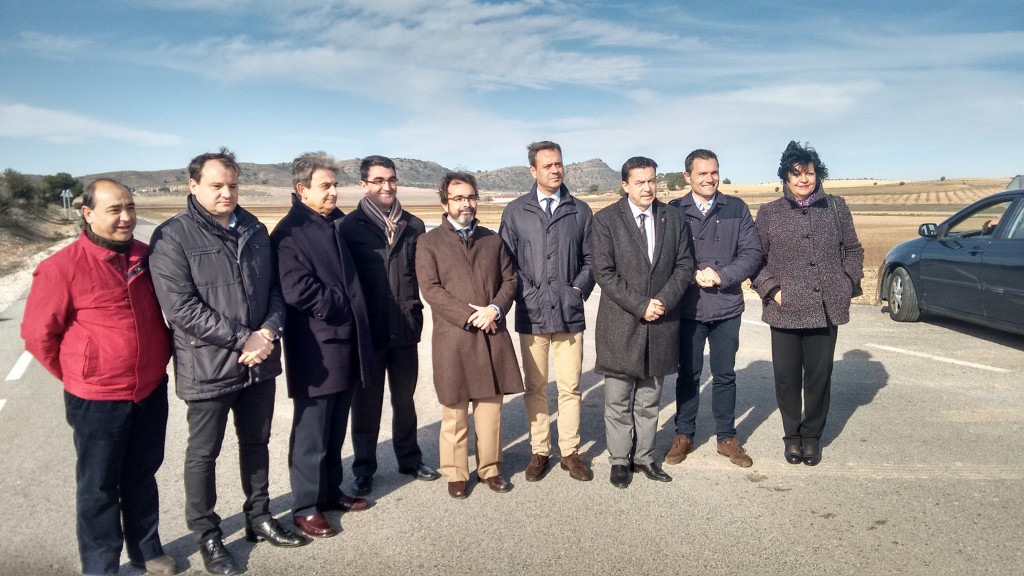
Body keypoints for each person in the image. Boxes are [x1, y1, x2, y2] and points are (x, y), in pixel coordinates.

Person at [149, 148, 308, 576]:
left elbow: (274, 290)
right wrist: (244, 338)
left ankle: (259, 516)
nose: (226, 193)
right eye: (217, 185)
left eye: (233, 185)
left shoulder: (254, 228)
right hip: (208, 367)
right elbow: (182, 308)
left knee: (257, 442)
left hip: (259, 363)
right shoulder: (172, 236)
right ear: (193, 185)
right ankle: (208, 535)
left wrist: (269, 332)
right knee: (204, 454)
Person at [22, 179, 176, 576]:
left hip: (149, 390)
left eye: (130, 207)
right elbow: (38, 337)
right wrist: (81, 374)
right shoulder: (61, 268)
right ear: (87, 214)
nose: (126, 217)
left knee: (142, 475)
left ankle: (146, 549)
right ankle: (101, 564)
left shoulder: (147, 257)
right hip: (97, 400)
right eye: (114, 210)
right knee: (99, 486)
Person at [270, 152, 373, 540]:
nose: (333, 192)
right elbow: (297, 289)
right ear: (303, 190)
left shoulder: (333, 223)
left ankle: (330, 491)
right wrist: (341, 304)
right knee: (312, 431)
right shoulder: (289, 233)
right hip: (317, 347)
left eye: (335, 185)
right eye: (325, 186)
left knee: (334, 426)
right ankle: (305, 507)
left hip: (345, 341)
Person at [751, 141, 864, 466]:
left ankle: (812, 437)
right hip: (784, 309)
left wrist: (846, 283)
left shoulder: (836, 207)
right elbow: (755, 259)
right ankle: (792, 437)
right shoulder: (769, 212)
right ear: (785, 177)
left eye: (810, 173)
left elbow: (853, 249)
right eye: (797, 174)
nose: (804, 179)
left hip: (824, 308)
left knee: (818, 377)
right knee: (786, 378)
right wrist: (773, 291)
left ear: (818, 175)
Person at [415, 172, 524, 499]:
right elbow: (431, 289)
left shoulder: (492, 240)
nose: (466, 204)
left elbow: (510, 281)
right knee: (455, 413)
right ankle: (456, 473)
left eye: (471, 197)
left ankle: (490, 469)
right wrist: (471, 316)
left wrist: (494, 309)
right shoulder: (429, 243)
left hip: (492, 336)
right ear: (444, 203)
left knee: (490, 412)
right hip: (454, 340)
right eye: (459, 198)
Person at [338, 155, 441, 497]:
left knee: (405, 400)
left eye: (391, 179)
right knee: (366, 405)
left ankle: (409, 459)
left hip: (405, 327)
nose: (387, 186)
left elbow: (424, 275)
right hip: (367, 333)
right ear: (363, 185)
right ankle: (364, 468)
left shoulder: (414, 225)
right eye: (379, 180)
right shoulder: (348, 228)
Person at [593, 157, 694, 489]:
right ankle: (620, 460)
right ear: (625, 185)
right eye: (640, 182)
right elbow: (604, 272)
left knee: (649, 399)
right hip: (621, 323)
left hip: (661, 322)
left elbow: (684, 265)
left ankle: (645, 457)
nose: (648, 188)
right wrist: (640, 305)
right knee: (618, 400)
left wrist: (661, 302)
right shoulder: (606, 220)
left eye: (652, 181)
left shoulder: (674, 218)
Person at [498, 141, 595, 482]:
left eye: (559, 164)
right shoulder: (515, 211)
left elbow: (591, 259)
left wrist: (576, 290)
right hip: (531, 312)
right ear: (533, 171)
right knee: (535, 387)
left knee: (570, 386)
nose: (555, 170)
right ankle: (540, 451)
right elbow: (506, 260)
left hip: (569, 313)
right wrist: (527, 293)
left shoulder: (579, 210)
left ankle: (570, 452)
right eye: (548, 165)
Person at [666, 149, 763, 468]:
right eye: (702, 173)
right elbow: (666, 256)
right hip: (688, 307)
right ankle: (683, 434)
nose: (710, 179)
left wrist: (722, 275)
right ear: (688, 177)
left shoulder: (736, 208)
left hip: (726, 306)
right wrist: (690, 274)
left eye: (714, 172)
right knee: (688, 374)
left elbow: (752, 253)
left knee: (724, 374)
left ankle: (727, 437)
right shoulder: (674, 210)